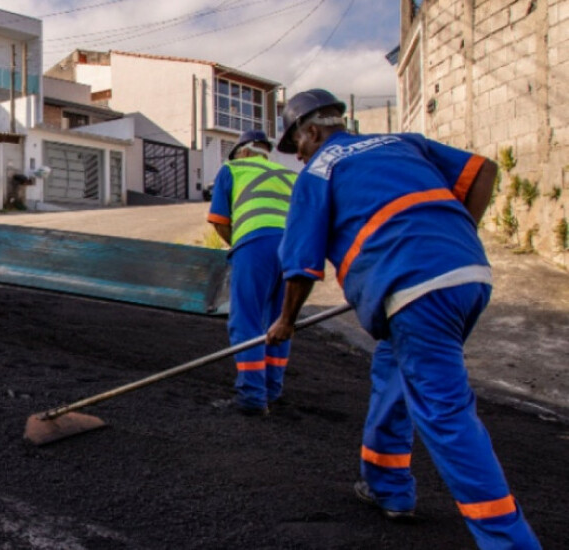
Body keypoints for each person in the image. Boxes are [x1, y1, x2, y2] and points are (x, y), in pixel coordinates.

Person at [265, 89, 540, 549]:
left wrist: (286, 322)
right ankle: (387, 485)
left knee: (444, 412)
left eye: (298, 144)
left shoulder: (319, 171)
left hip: (416, 291)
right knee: (393, 370)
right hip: (467, 273)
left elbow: (300, 267)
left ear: (311, 131)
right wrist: (449, 238)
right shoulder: (401, 141)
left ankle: (509, 542)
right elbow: (483, 171)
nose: (298, 155)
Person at [207, 129, 298, 416]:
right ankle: (272, 390)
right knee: (280, 321)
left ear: (243, 151)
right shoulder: (290, 176)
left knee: (246, 319)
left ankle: (251, 398)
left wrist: (241, 245)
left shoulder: (232, 169)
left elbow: (219, 220)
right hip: (293, 251)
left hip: (255, 245)